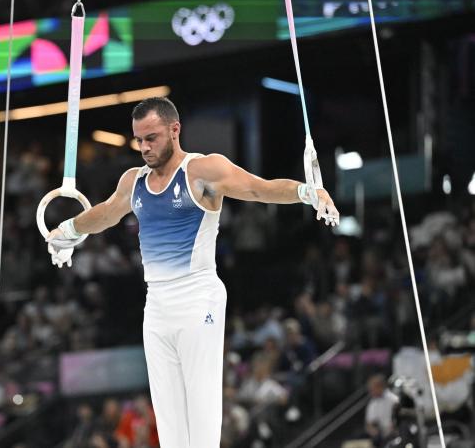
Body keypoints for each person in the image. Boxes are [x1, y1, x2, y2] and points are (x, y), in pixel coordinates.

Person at [45, 97, 339, 447]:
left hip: (198, 297)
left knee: (201, 411)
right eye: (139, 139)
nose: (144, 147)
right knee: (169, 421)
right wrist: (68, 229)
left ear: (175, 129)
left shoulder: (202, 171)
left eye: (151, 137)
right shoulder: (133, 181)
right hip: (157, 304)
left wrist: (306, 192)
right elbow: (107, 213)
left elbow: (259, 187)